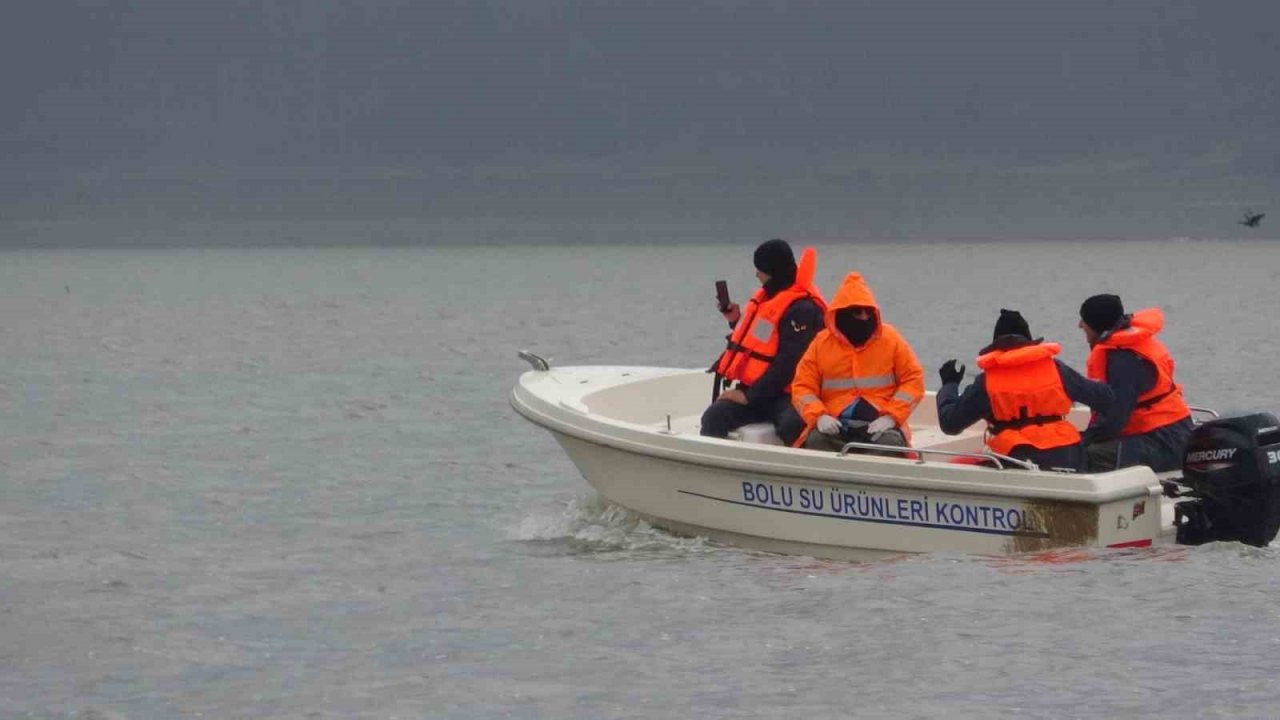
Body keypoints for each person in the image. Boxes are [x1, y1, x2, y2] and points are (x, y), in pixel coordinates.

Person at [936, 309, 1115, 471]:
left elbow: (950, 423)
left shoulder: (988, 381)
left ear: (996, 346)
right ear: (1030, 342)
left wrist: (949, 385)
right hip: (1068, 457)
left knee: (956, 466)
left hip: (1016, 462)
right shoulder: (1056, 369)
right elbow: (1105, 398)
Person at [702, 239, 826, 445]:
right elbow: (762, 341)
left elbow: (788, 364)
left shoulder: (803, 309)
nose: (757, 275)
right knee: (715, 416)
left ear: (773, 271)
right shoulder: (770, 299)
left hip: (789, 395)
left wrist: (749, 396)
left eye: (760, 270)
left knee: (793, 425)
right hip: (760, 392)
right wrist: (735, 321)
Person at [784, 271, 925, 453]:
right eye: (857, 312)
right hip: (834, 424)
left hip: (880, 424)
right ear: (842, 314)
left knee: (890, 444)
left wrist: (891, 417)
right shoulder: (821, 343)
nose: (865, 317)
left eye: (868, 311)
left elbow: (914, 379)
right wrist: (819, 416)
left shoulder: (891, 339)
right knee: (816, 441)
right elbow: (802, 386)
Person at [1077, 294, 1194, 472]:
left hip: (1162, 440)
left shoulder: (1122, 358)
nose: (1080, 325)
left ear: (1096, 325)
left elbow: (1115, 419)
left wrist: (1078, 441)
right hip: (1175, 430)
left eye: (1084, 321)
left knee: (1083, 454)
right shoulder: (1132, 345)